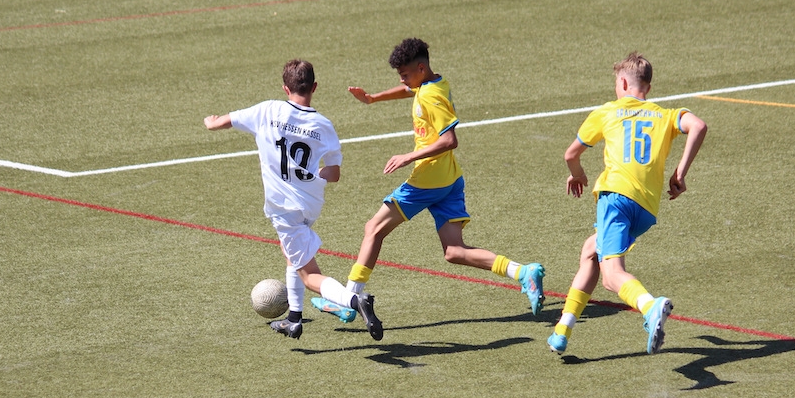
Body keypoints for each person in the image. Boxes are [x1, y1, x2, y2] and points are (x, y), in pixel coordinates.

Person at [316, 38, 545, 330]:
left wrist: (408, 156)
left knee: (373, 228)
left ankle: (349, 300)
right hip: (449, 179)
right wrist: (373, 98)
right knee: (454, 251)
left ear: (421, 68)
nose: (402, 80)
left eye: (405, 74)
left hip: (427, 180)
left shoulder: (431, 97)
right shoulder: (433, 83)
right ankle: (522, 272)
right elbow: (410, 89)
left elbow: (450, 140)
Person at [204, 59, 383, 341]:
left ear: (285, 88)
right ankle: (294, 319)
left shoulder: (267, 110)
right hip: (311, 202)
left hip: (284, 208)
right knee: (292, 254)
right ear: (314, 87)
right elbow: (334, 174)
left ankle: (353, 300)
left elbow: (223, 122)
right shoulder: (323, 125)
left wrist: (211, 122)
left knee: (309, 275)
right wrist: (310, 175)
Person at [547, 52, 708, 355]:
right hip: (646, 209)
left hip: (616, 199)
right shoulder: (665, 115)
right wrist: (679, 174)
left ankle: (650, 306)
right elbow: (698, 126)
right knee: (591, 250)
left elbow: (571, 155)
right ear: (648, 86)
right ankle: (563, 329)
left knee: (611, 276)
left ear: (622, 83)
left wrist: (577, 174)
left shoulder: (608, 111)